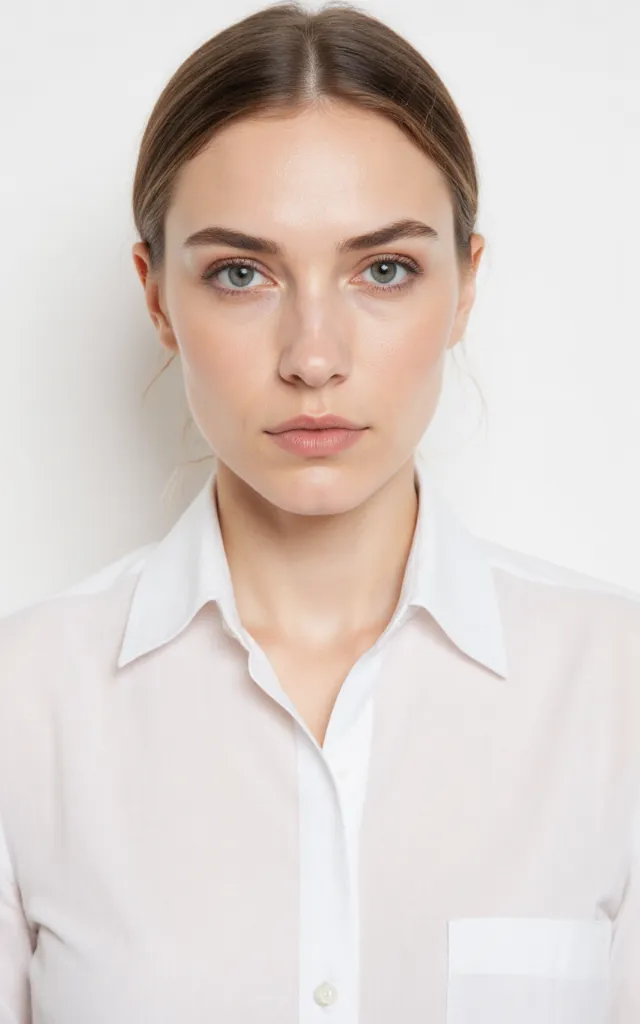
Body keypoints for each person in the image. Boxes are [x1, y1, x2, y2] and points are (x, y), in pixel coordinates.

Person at [0, 2, 638, 1022]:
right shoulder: (25, 706)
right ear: (157, 297)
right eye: (240, 273)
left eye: (383, 270)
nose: (312, 356)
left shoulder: (615, 690)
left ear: (466, 286)